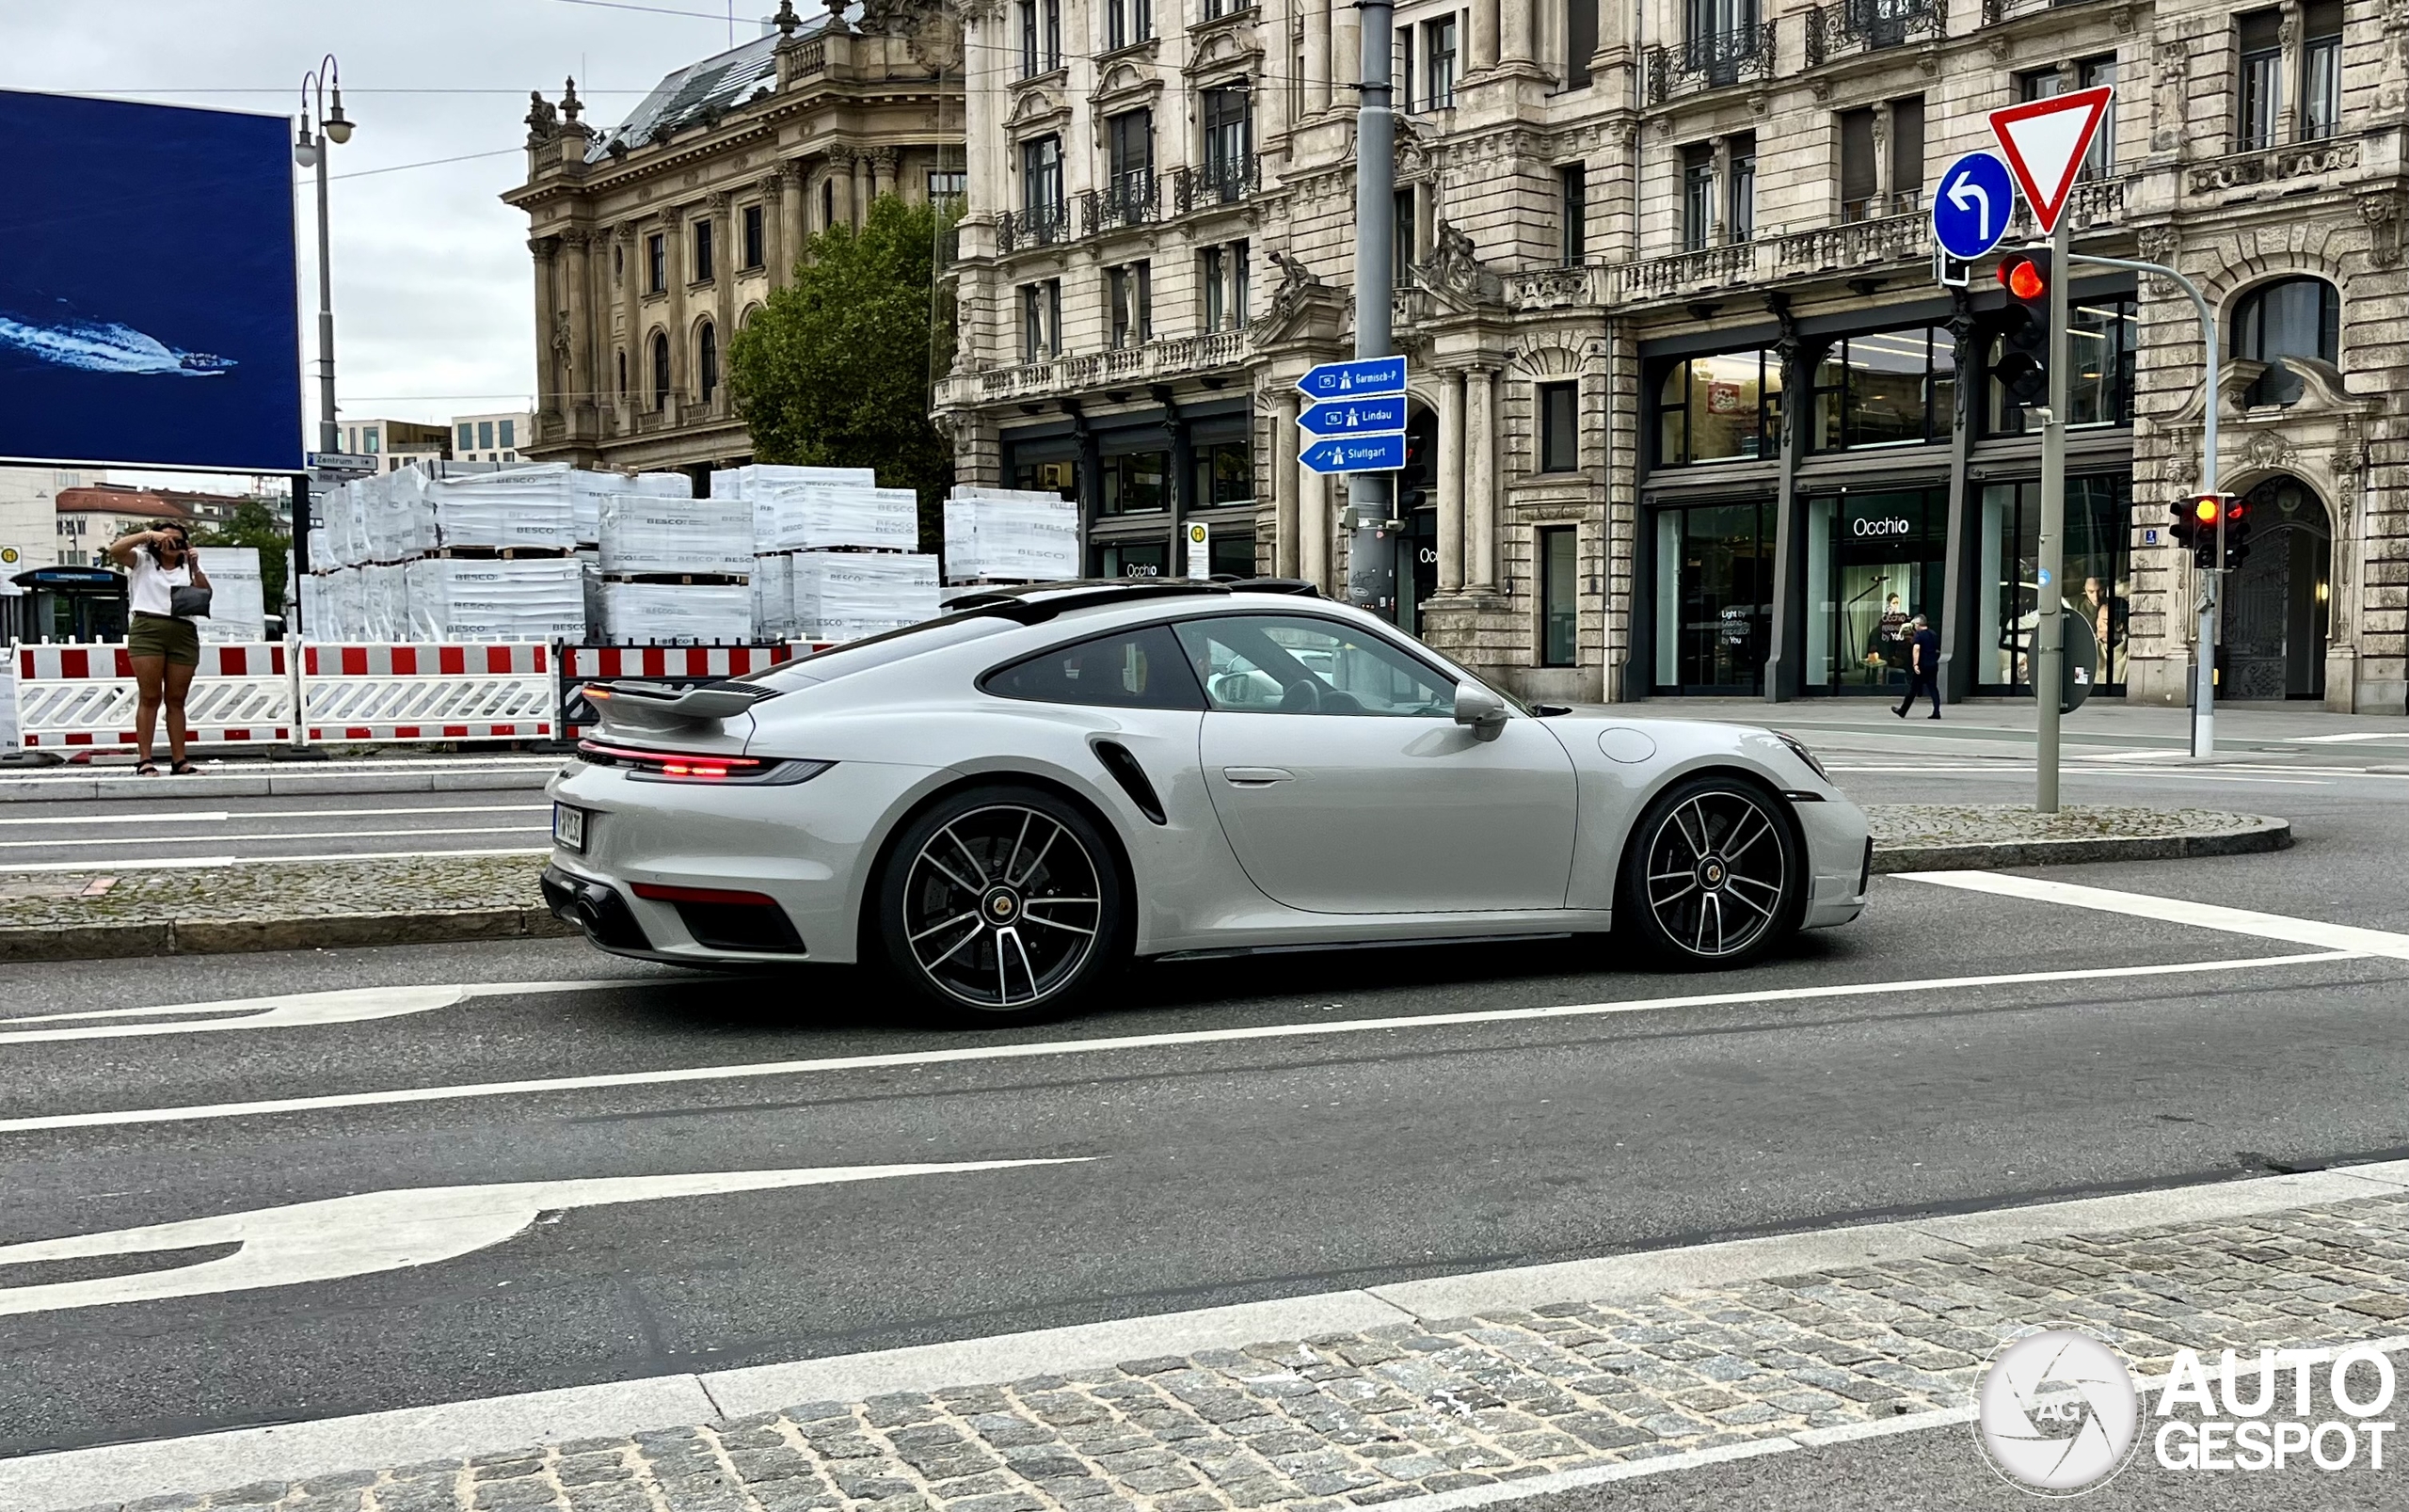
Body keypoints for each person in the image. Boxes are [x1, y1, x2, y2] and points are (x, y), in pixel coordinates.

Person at [107, 522, 210, 775]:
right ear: (155, 541)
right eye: (166, 539)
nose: (172, 544)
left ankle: (179, 760)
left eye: (178, 540)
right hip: (148, 628)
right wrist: (145, 535)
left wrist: (195, 565)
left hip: (183, 629)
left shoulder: (189, 566)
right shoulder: (141, 560)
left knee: (177, 699)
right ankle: (145, 759)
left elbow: (204, 593)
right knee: (150, 695)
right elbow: (114, 551)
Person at [1893, 613, 1941, 720]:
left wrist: (1915, 664)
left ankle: (1903, 710)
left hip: (1922, 665)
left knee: (1913, 689)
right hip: (1933, 664)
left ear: (1918, 624)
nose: (1914, 627)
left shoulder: (1919, 635)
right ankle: (1936, 711)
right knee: (1933, 688)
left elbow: (1916, 649)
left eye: (1914, 624)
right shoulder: (1933, 634)